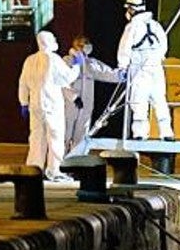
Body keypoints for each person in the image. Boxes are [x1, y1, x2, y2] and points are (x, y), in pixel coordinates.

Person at [17, 30, 81, 182]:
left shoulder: (29, 60)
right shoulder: (53, 59)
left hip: (35, 105)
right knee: (56, 137)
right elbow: (67, 78)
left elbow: (23, 83)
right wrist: (77, 66)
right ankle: (55, 170)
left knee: (36, 138)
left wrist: (23, 102)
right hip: (52, 105)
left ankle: (34, 169)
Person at [117, 0, 174, 140]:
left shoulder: (132, 27)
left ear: (132, 9)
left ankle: (140, 134)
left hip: (140, 70)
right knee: (160, 101)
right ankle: (167, 133)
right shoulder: (155, 25)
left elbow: (124, 48)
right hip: (156, 69)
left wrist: (122, 67)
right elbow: (164, 46)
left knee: (139, 102)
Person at [63, 34, 123, 156]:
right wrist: (73, 97)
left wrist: (122, 75)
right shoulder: (66, 61)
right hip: (69, 106)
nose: (86, 46)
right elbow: (62, 83)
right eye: (83, 43)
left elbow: (107, 73)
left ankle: (76, 164)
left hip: (85, 106)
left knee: (81, 136)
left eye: (87, 43)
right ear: (76, 45)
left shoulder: (91, 63)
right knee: (65, 134)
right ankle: (59, 165)